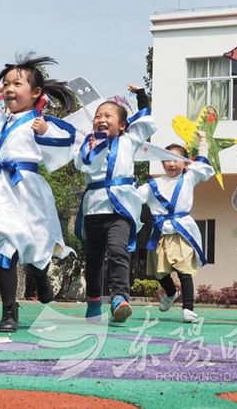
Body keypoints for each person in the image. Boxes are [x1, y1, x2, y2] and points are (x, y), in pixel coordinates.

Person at [0, 53, 77, 333]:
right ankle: (9, 312)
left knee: (37, 245)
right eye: (6, 84)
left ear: (36, 92)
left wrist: (44, 130)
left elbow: (66, 142)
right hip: (0, 190)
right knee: (7, 248)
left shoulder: (40, 122)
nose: (10, 89)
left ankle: (40, 276)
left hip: (29, 190)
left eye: (17, 84)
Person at [74, 83, 156, 323]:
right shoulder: (87, 145)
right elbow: (82, 166)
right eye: (98, 116)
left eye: (108, 115)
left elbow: (146, 122)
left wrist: (141, 95)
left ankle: (120, 298)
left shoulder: (129, 140)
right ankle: (93, 303)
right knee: (93, 260)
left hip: (120, 209)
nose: (101, 119)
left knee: (119, 252)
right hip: (93, 209)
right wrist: (93, 149)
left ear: (121, 125)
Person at [138, 133, 214, 323]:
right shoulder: (152, 184)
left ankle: (188, 309)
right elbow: (133, 198)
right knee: (159, 272)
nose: (171, 164)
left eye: (176, 160)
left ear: (186, 163)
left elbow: (203, 165)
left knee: (184, 270)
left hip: (181, 231)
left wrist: (203, 142)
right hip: (160, 232)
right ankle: (171, 292)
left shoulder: (189, 178)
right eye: (166, 160)